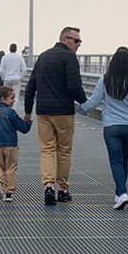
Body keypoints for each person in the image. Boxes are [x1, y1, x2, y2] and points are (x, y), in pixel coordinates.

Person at [23, 26, 87, 205]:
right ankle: (63, 189)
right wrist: (85, 103)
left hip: (43, 111)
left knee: (47, 149)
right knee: (64, 151)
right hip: (64, 112)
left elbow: (31, 86)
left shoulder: (43, 57)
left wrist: (28, 111)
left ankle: (48, 186)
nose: (79, 45)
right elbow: (74, 86)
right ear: (65, 39)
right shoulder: (69, 57)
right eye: (76, 41)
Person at [79, 47, 128, 209]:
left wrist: (80, 107)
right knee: (124, 160)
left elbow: (94, 101)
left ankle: (122, 193)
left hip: (112, 126)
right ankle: (119, 194)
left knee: (116, 161)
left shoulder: (105, 79)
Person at [0, 84, 32, 202]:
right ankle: (9, 193)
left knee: (0, 166)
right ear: (3, 99)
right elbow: (23, 128)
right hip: (11, 145)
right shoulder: (11, 113)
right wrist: (28, 123)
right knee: (11, 168)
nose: (14, 100)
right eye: (12, 98)